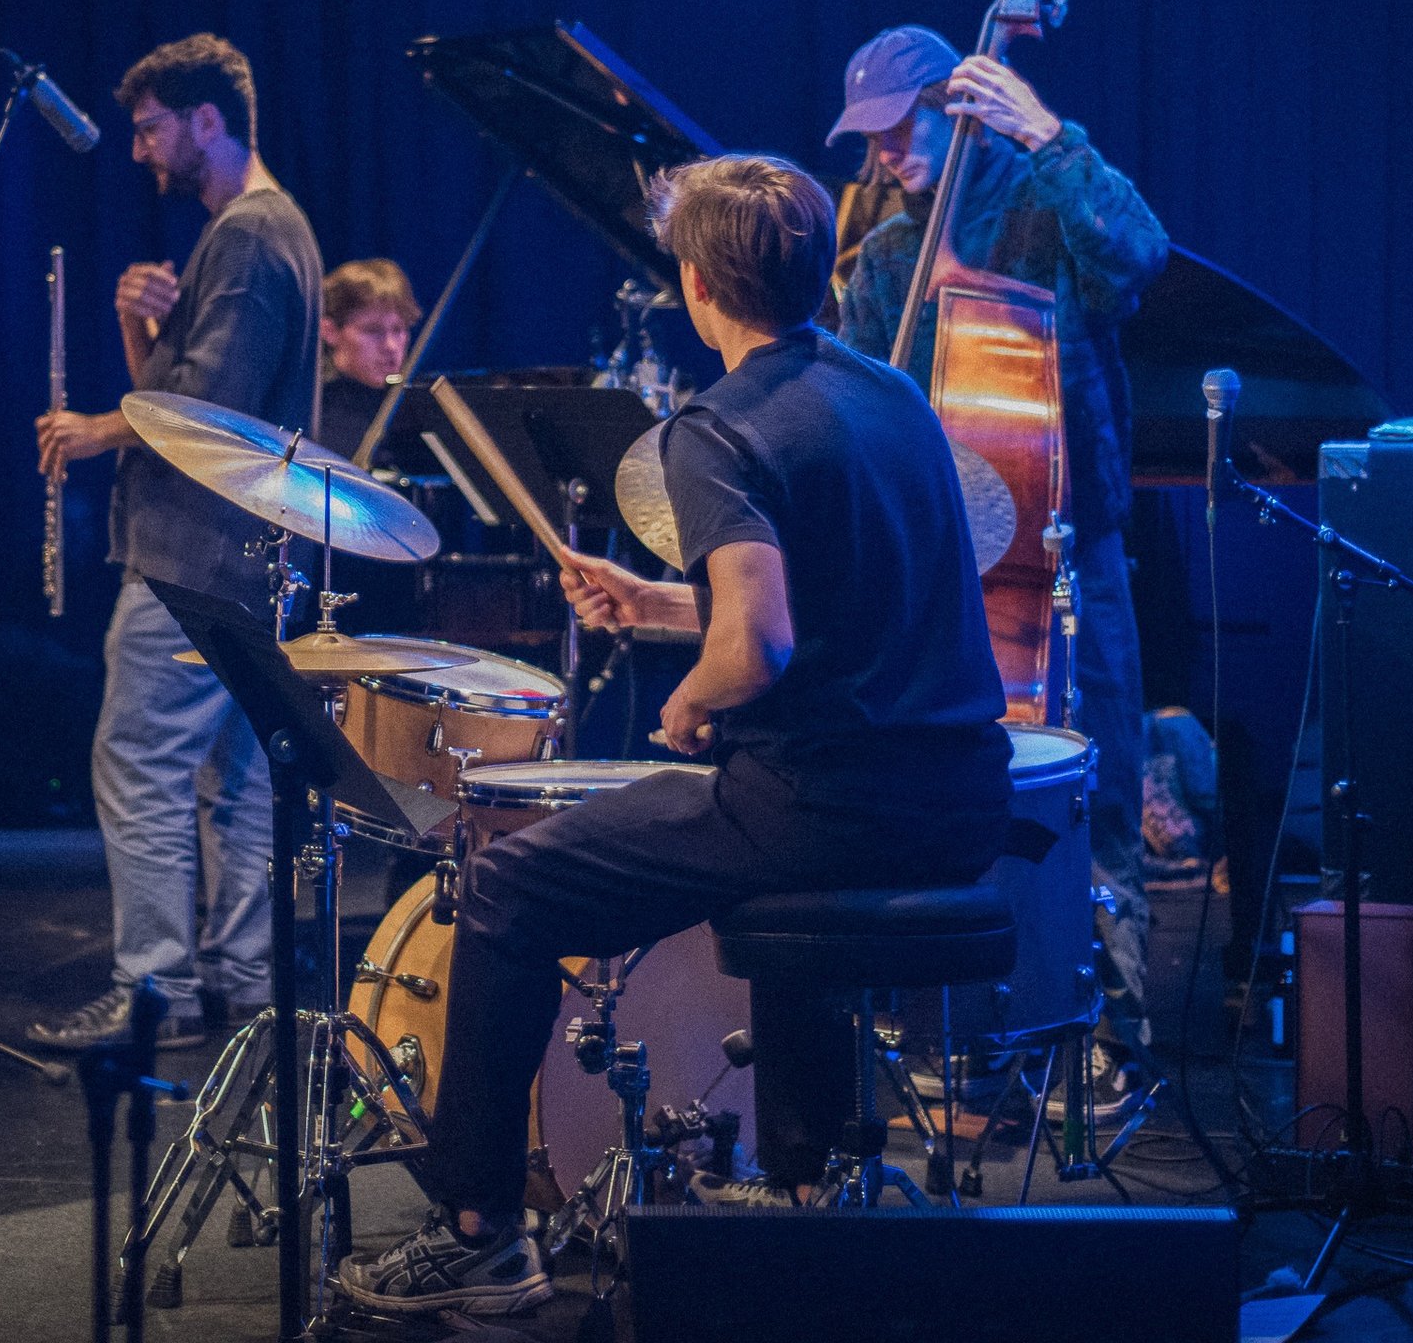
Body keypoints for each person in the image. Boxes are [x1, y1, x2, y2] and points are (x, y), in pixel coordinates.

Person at [336, 154, 1010, 1319]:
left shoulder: (719, 428)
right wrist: (656, 607)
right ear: (822, 275)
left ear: (697, 286)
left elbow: (762, 648)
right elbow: (835, 608)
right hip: (956, 797)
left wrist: (693, 700)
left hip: (825, 807)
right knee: (746, 822)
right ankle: (805, 1186)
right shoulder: (889, 394)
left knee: (503, 891)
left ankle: (479, 1233)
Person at [829, 23, 1169, 1113]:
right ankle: (956, 1025)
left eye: (899, 128)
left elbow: (1140, 256)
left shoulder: (1045, 202)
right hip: (950, 577)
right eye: (869, 139)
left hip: (1075, 554)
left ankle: (1103, 1025)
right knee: (949, 795)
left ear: (957, 105)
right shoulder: (886, 262)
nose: (884, 155)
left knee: (1097, 786)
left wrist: (1047, 129)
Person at [27, 34, 323, 1051]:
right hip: (247, 557)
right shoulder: (269, 230)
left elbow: (209, 413)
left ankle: (153, 988)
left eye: (152, 128)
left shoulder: (243, 236)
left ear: (207, 119)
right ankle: (239, 982)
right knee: (231, 778)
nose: (141, 152)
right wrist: (132, 332)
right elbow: (188, 390)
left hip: (191, 557)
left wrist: (96, 426)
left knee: (140, 759)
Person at [315, 256, 423, 463]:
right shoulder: (312, 404)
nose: (391, 346)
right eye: (373, 330)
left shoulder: (415, 410)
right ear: (329, 331)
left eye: (398, 329)